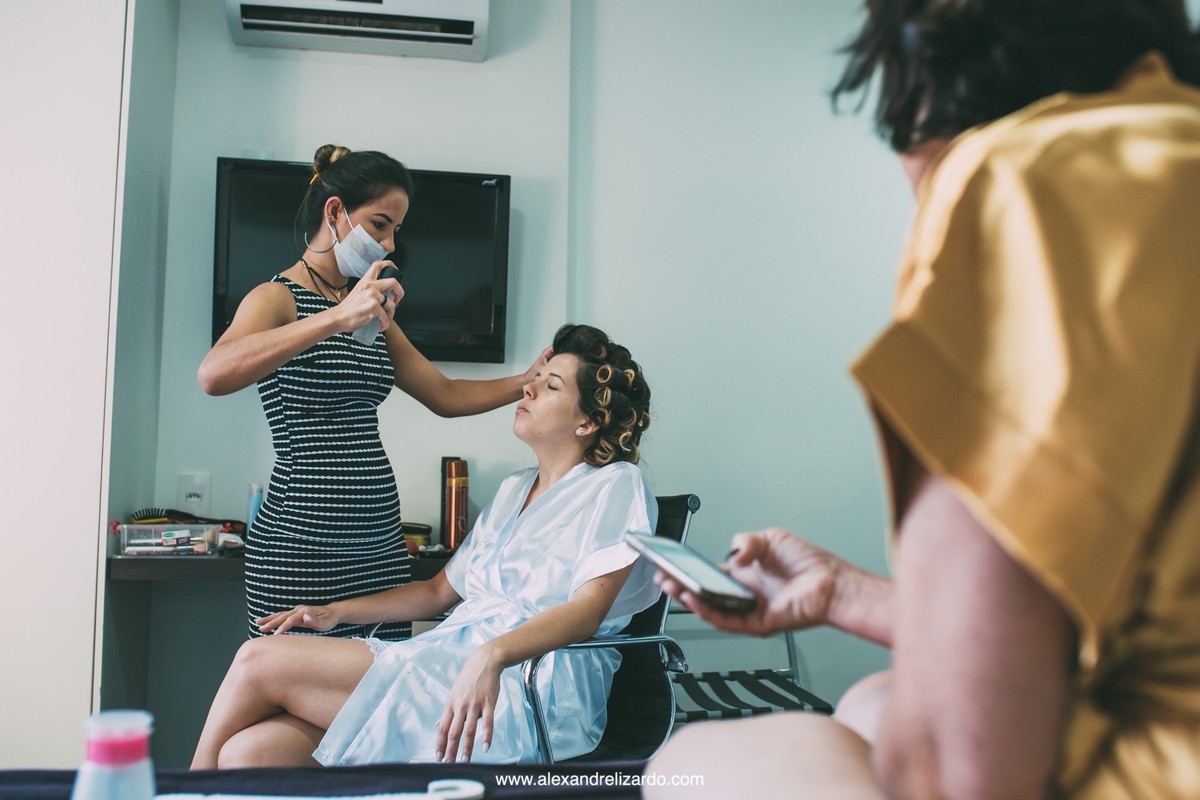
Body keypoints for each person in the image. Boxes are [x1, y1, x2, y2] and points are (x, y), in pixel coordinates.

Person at [647, 2, 1200, 798]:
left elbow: (959, 768)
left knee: (696, 762)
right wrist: (842, 594)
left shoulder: (1025, 179)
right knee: (873, 698)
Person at [191, 323, 658, 768]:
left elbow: (588, 611)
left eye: (551, 386)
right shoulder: (516, 489)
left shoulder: (616, 485)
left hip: (527, 692)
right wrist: (337, 611)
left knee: (258, 659)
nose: (528, 389)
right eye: (534, 380)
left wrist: (492, 655)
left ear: (589, 422)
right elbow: (437, 593)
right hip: (451, 659)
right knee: (250, 753)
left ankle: (177, 796)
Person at [197, 144, 552, 641]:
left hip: (378, 546)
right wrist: (335, 318)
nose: (387, 245)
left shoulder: (368, 307)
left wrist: (527, 379)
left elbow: (444, 394)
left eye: (395, 231)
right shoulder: (277, 297)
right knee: (291, 695)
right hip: (301, 544)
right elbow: (214, 374)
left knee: (375, 703)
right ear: (336, 211)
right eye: (380, 224)